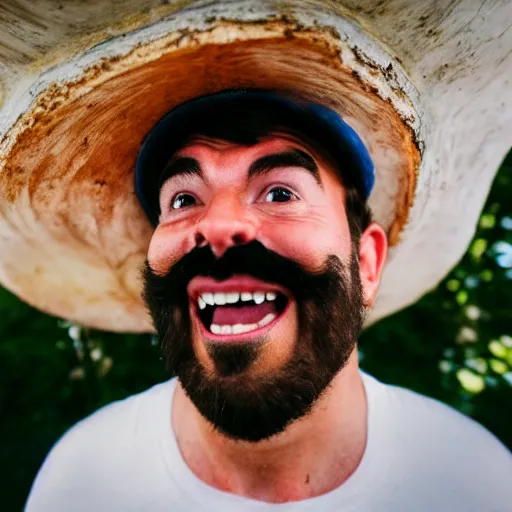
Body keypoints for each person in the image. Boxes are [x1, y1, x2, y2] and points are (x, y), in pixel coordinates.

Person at [25, 90, 512, 511]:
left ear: (366, 264)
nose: (215, 226)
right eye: (183, 199)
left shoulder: (477, 484)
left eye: (280, 192)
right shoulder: (81, 481)